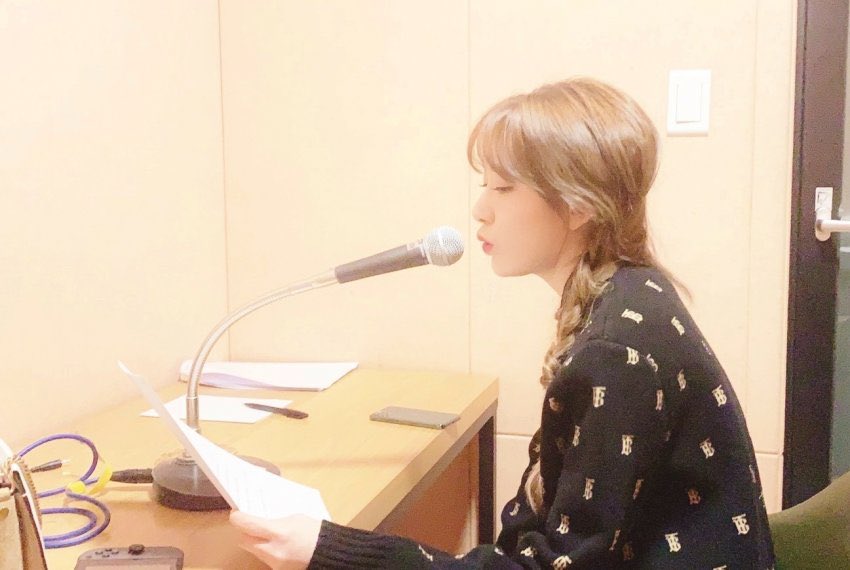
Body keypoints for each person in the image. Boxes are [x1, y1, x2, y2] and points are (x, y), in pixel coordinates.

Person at [230, 77, 776, 569]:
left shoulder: (616, 351)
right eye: (484, 186)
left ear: (578, 205)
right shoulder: (630, 291)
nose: (481, 211)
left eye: (504, 188)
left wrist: (331, 550)